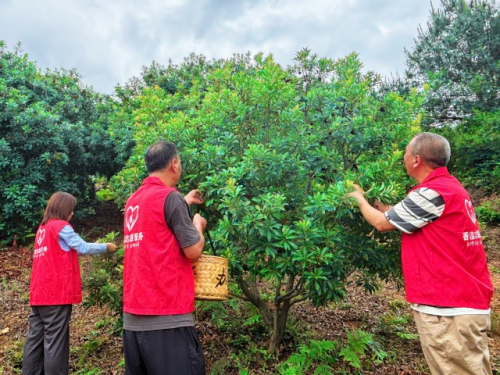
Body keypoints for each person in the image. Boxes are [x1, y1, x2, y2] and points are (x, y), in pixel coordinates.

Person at [348, 132, 494, 375]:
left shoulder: (432, 192)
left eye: (405, 153)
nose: (402, 157)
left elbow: (382, 224)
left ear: (416, 160)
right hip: (463, 303)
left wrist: (358, 199)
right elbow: (399, 216)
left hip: (448, 309)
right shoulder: (448, 188)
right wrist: (380, 205)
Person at [122, 140, 207, 375]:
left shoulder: (133, 201)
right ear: (174, 163)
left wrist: (184, 201)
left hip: (133, 323)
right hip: (166, 319)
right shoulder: (170, 197)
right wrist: (197, 224)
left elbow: (156, 227)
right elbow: (193, 251)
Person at [22, 192, 118, 375]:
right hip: (56, 294)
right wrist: (106, 247)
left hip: (39, 293)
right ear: (62, 209)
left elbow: (66, 249)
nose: (72, 214)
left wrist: (93, 245)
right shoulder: (61, 227)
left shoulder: (43, 229)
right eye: (71, 210)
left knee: (35, 340)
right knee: (55, 342)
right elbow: (81, 247)